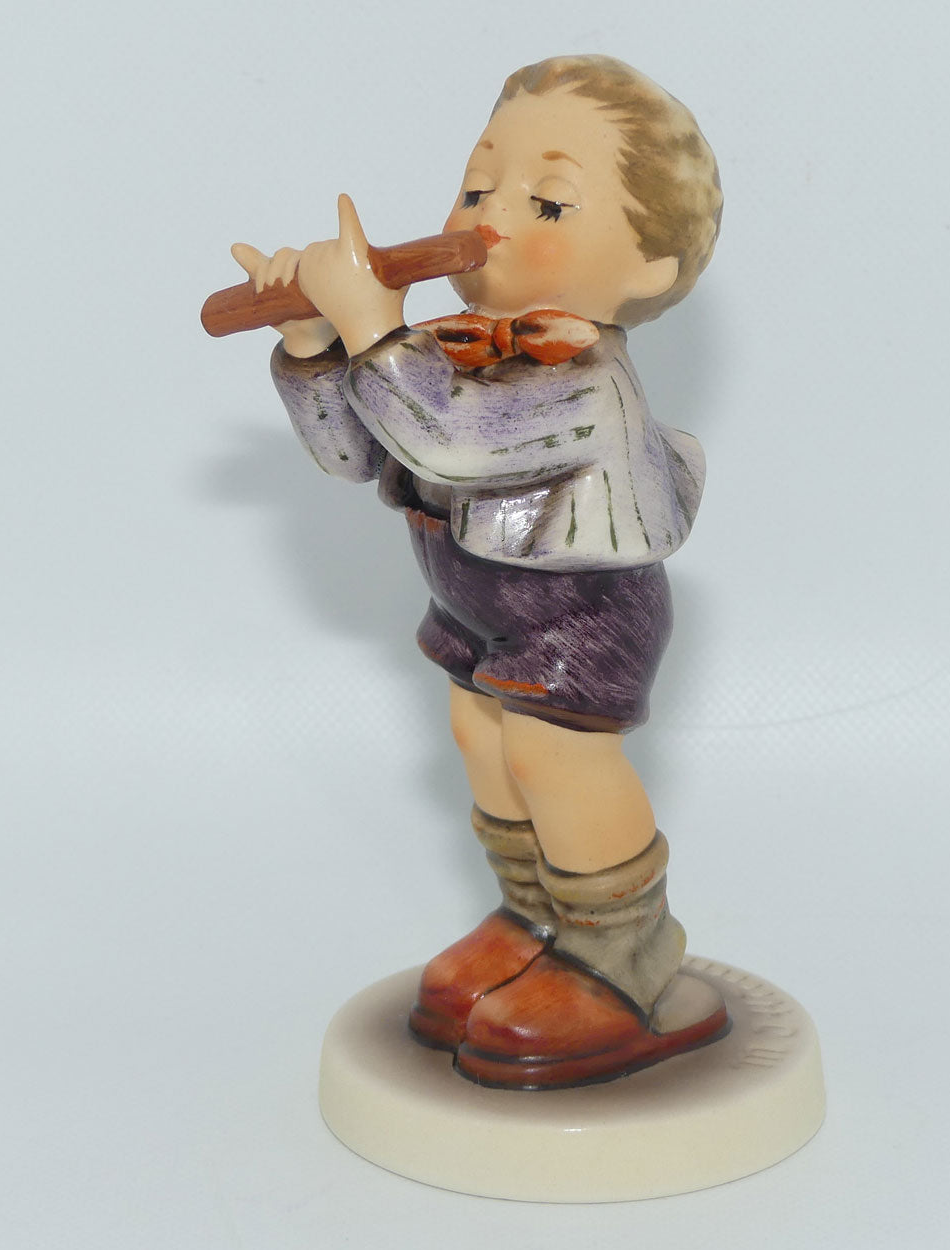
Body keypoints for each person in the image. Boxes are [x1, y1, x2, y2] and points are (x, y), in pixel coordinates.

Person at [233, 54, 725, 1088]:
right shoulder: (442, 353)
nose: (491, 218)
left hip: (580, 607)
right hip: (474, 600)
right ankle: (535, 918)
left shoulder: (585, 376)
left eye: (546, 201)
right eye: (476, 187)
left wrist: (372, 329)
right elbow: (353, 454)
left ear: (646, 266)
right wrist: (314, 346)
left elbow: (452, 443)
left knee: (555, 758)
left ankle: (622, 953)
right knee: (481, 739)